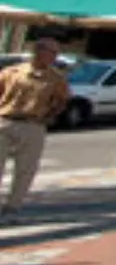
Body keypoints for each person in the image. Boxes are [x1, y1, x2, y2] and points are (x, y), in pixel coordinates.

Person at [0, 37, 71, 219]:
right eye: (52, 52)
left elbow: (61, 101)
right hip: (5, 121)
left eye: (57, 53)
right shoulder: (12, 72)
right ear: (39, 51)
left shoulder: (56, 78)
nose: (55, 57)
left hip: (33, 125)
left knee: (26, 169)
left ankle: (12, 207)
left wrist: (48, 116)